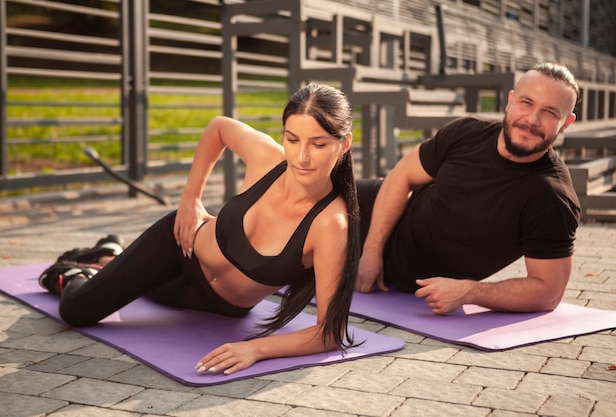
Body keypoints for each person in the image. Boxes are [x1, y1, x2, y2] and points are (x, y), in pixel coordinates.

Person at [39, 83, 360, 376]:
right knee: (76, 310)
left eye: (318, 144)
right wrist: (190, 198)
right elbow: (218, 127)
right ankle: (75, 273)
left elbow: (330, 331)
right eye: (292, 139)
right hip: (180, 245)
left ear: (344, 144)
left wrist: (257, 349)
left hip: (213, 304)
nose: (301, 157)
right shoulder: (268, 158)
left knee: (129, 281)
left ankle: (110, 254)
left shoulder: (331, 224)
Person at [356, 62, 581, 315]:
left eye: (550, 112)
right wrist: (371, 252)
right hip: (369, 220)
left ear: (566, 123)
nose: (532, 119)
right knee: (308, 197)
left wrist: (469, 292)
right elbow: (401, 176)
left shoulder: (552, 196)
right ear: (510, 100)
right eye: (526, 102)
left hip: (409, 287)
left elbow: (549, 291)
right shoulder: (467, 132)